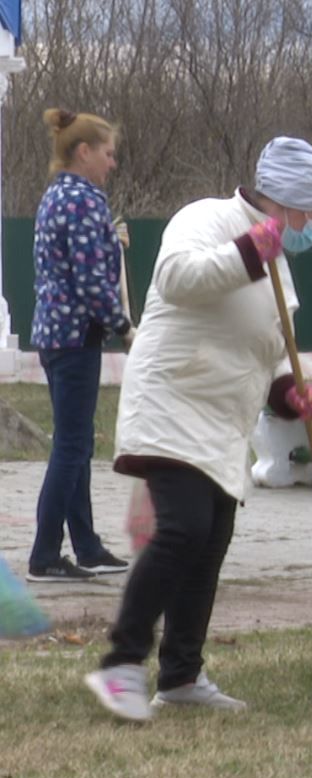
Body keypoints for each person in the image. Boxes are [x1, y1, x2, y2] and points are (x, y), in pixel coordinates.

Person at [83, 136, 312, 721]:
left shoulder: (280, 265)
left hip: (222, 422)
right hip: (174, 400)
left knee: (209, 539)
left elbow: (269, 347)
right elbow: (178, 279)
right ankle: (121, 662)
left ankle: (181, 676)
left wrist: (287, 392)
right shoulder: (204, 219)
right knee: (182, 530)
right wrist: (250, 250)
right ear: (287, 202)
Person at [27, 109, 133, 582]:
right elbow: (91, 281)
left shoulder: (56, 197)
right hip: (76, 337)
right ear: (84, 151)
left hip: (53, 333)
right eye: (108, 154)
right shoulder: (85, 201)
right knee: (71, 446)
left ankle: (86, 546)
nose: (112, 164)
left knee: (77, 441)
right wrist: (123, 326)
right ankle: (45, 555)